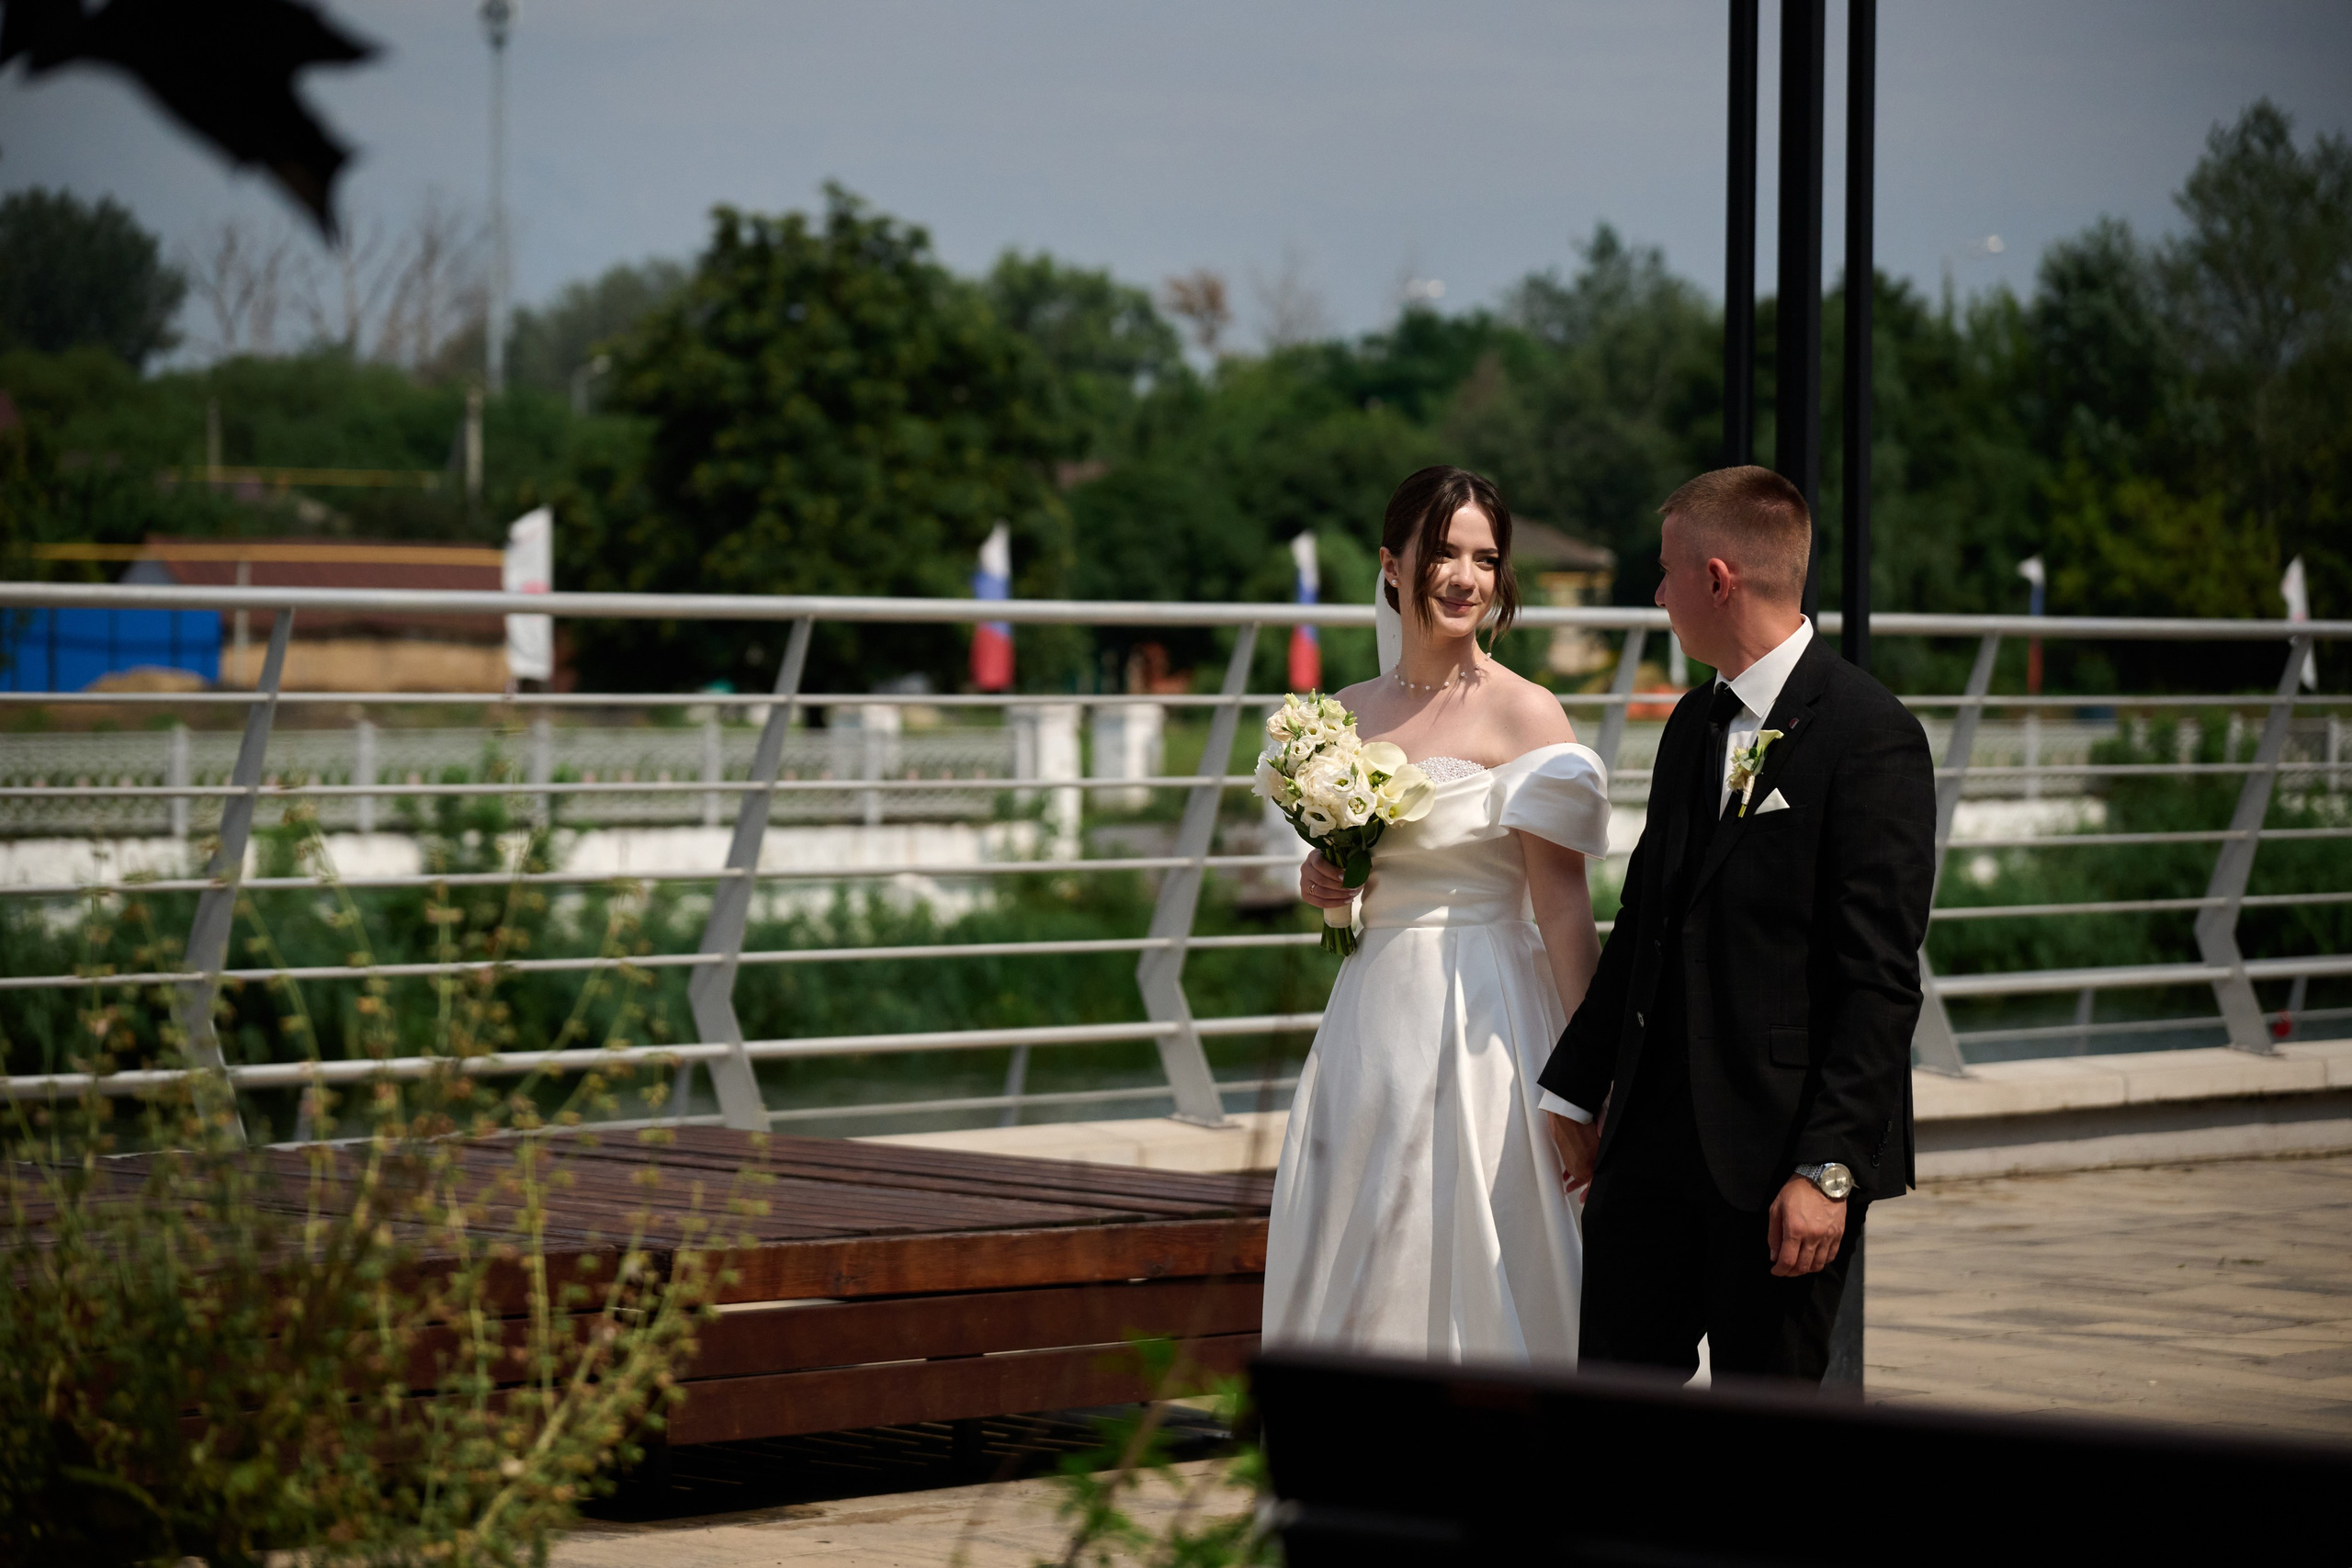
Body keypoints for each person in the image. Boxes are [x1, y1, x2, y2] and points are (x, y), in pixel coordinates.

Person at [1538, 465, 1936, 1384]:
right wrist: (1573, 1090)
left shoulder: (1869, 735)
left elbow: (1877, 980)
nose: (1658, 593)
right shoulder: (1690, 725)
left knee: (1766, 1451)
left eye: (1669, 571)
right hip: (1647, 1155)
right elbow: (1644, 927)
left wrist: (1828, 1172)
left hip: (1777, 1158)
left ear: (1717, 580)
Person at [1264, 465, 1611, 1364]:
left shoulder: (1525, 712)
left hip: (1489, 1023)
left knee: (1482, 1241)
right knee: (1369, 1242)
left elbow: (1564, 912)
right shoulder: (1339, 718)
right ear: (1391, 564)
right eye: (1443, 553)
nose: (1466, 577)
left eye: (1485, 558)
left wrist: (1594, 1077)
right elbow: (1359, 881)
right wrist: (1326, 878)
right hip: (1373, 1020)